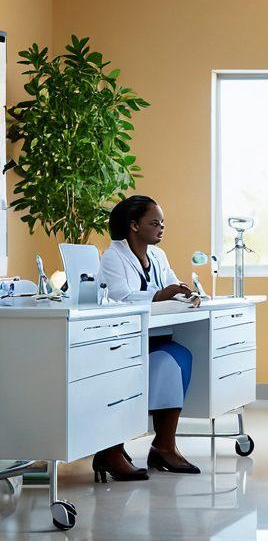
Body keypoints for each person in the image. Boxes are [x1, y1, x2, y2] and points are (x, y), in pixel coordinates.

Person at [94, 195, 201, 480]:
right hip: (124, 338)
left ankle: (164, 446)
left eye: (162, 222)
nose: (161, 228)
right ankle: (111, 450)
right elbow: (120, 297)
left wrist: (186, 294)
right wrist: (160, 295)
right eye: (154, 222)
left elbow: (171, 284)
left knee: (178, 359)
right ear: (133, 225)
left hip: (155, 335)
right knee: (125, 374)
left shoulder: (158, 256)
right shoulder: (112, 256)